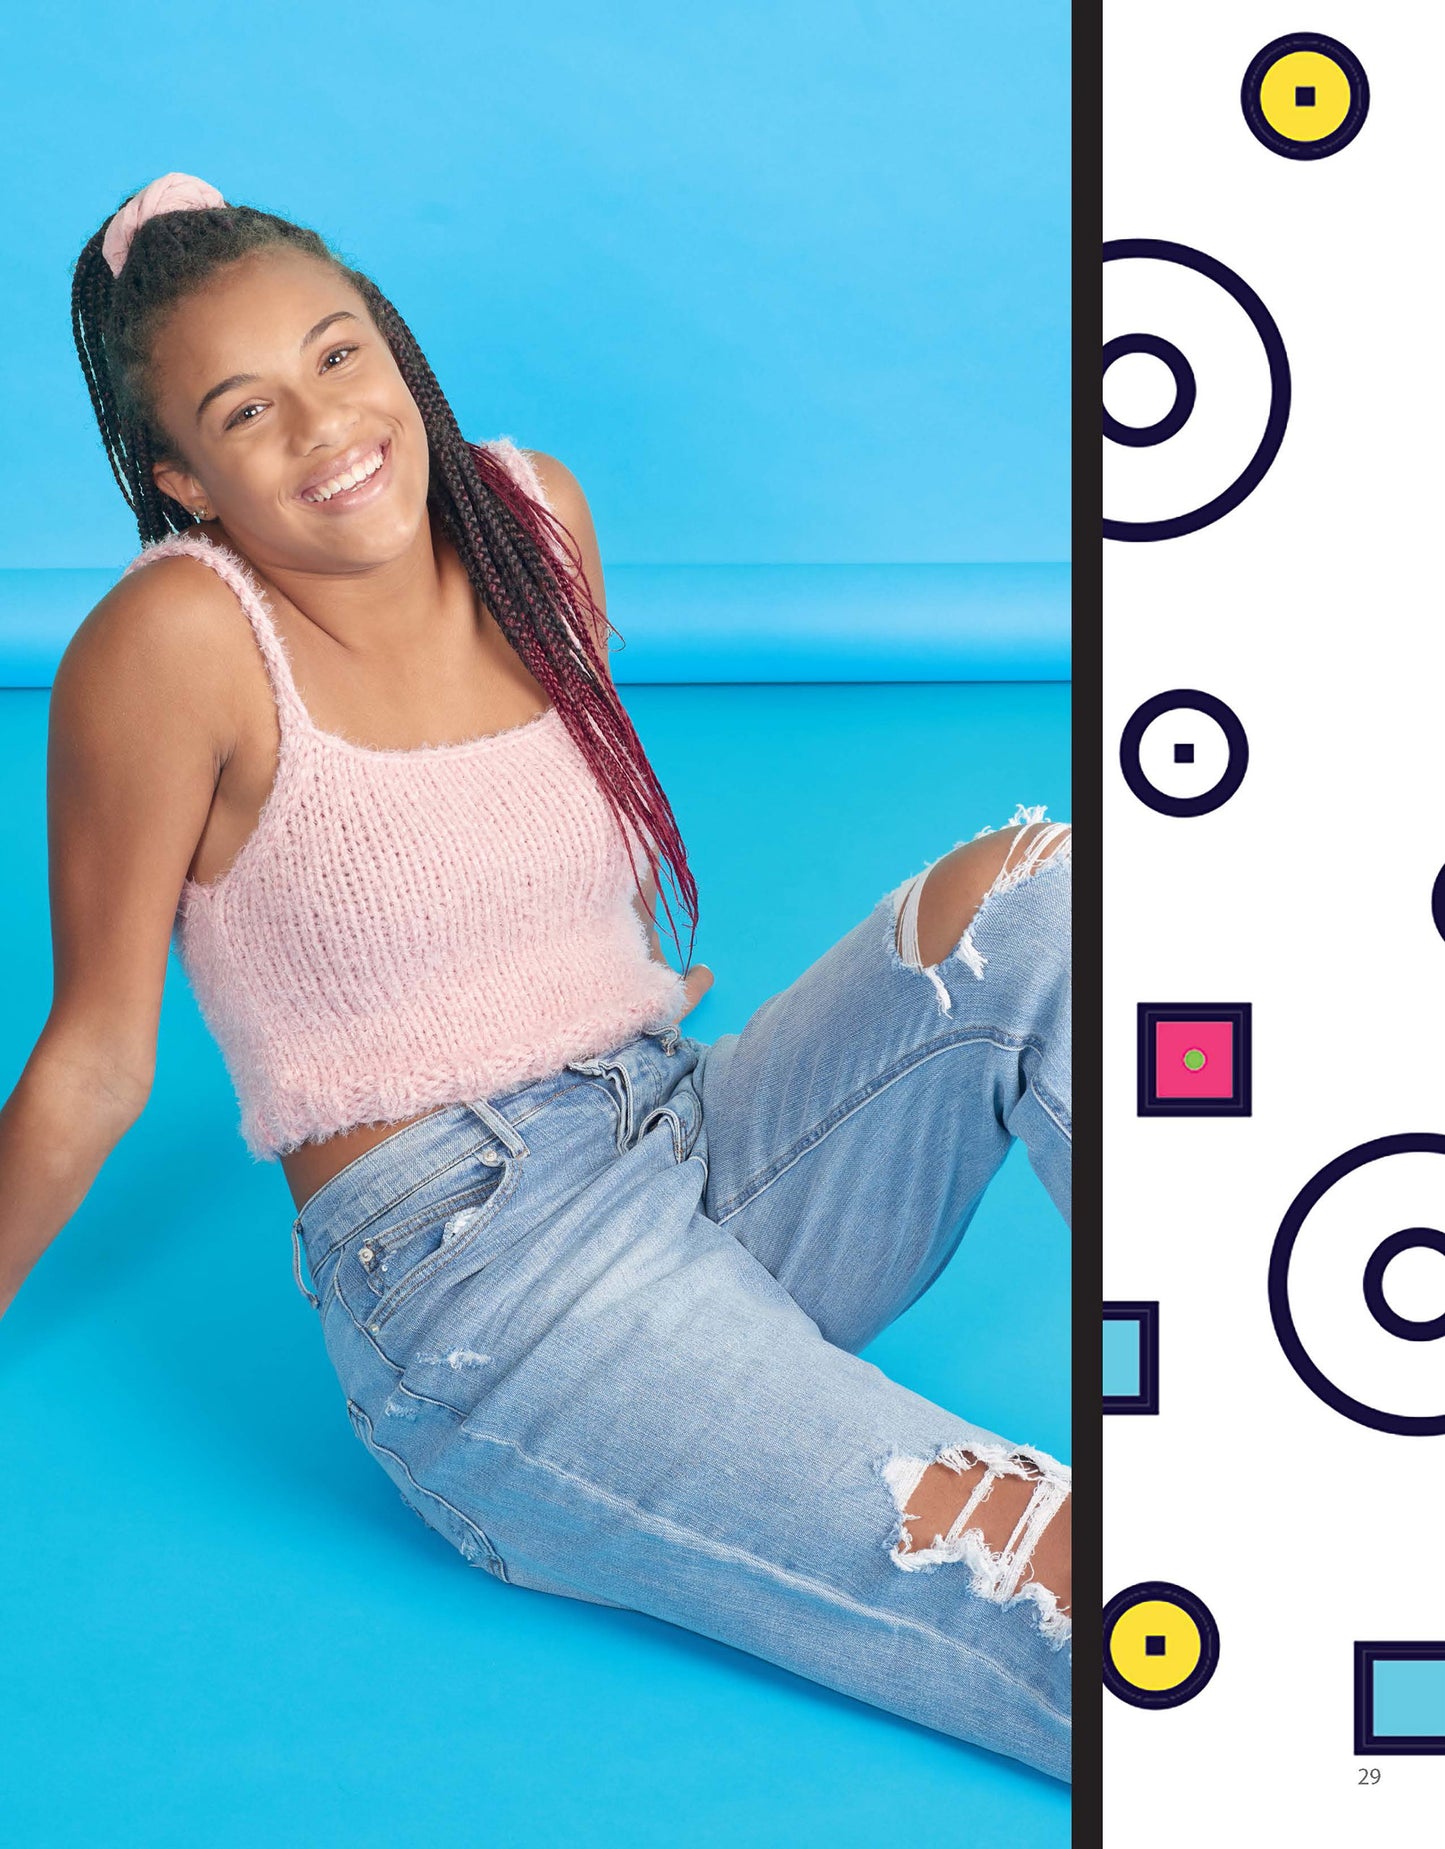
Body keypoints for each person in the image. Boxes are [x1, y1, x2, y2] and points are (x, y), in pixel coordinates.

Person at [0, 174, 1074, 1784]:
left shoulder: (530, 516)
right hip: (488, 1292)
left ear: (394, 344)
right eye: (247, 410)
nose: (325, 426)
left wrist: (589, 991)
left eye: (340, 354)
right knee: (1061, 1572)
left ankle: (1320, 1367)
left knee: (1045, 902)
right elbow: (93, 1062)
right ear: (182, 479)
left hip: (681, 1135)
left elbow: (553, 829)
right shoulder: (173, 642)